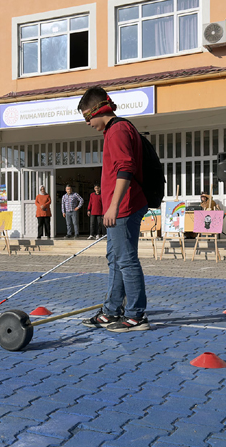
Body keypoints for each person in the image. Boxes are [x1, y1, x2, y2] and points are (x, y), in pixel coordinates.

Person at [78, 86, 150, 332]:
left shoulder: (117, 130)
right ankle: (111, 311)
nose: (87, 122)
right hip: (121, 207)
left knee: (126, 261)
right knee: (116, 260)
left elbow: (125, 169)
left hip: (124, 207)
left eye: (88, 116)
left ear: (100, 109)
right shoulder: (116, 130)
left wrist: (113, 206)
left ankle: (136, 316)